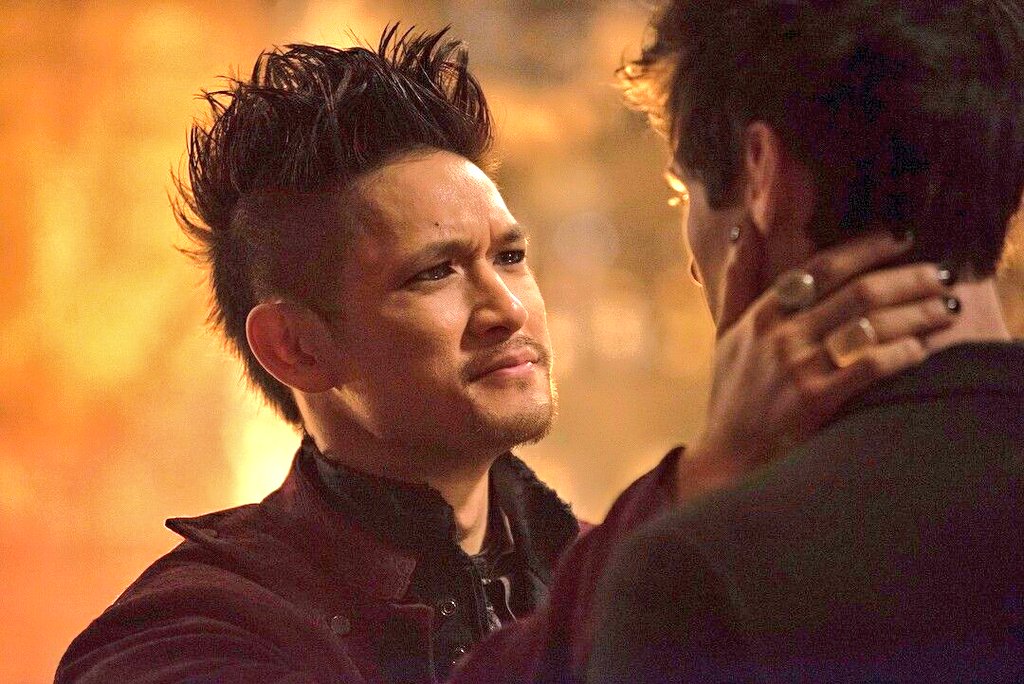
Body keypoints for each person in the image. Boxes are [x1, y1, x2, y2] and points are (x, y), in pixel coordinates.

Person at [58, 25, 957, 684]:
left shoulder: (593, 566)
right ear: (295, 346)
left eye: (512, 256)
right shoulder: (188, 630)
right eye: (434, 273)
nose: (505, 308)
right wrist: (699, 487)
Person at [584, 0, 1024, 681]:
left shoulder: (702, 578)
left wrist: (704, 485)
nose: (695, 267)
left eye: (682, 191)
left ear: (762, 173)